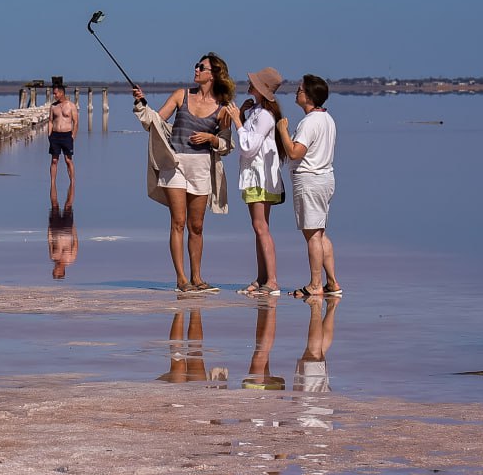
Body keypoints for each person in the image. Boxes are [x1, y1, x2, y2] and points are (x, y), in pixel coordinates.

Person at [132, 53, 235, 293]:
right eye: (196, 66)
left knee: (196, 226)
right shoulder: (181, 95)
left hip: (201, 167)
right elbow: (154, 122)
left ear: (214, 74)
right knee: (178, 222)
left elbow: (227, 145)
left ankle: (197, 278)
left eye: (202, 67)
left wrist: (211, 138)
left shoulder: (223, 109)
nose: (196, 70)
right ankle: (181, 279)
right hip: (175, 164)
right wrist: (141, 102)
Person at [277, 74, 341, 298]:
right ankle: (331, 282)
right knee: (320, 233)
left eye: (300, 89)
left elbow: (295, 151)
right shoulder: (327, 119)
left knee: (313, 235)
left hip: (310, 180)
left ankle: (316, 284)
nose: (297, 92)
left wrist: (283, 130)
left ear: (309, 96)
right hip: (324, 178)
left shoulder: (310, 121)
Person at [227, 67, 286, 296]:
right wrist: (241, 116)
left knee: (261, 227)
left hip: (259, 176)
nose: (249, 84)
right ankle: (263, 278)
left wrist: (237, 122)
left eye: (254, 83)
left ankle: (271, 281)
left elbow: (249, 147)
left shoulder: (264, 115)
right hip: (256, 175)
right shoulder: (257, 110)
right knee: (260, 227)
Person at [48, 82, 78, 201]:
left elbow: (75, 122)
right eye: (53, 94)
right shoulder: (53, 106)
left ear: (61, 93)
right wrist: (49, 135)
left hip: (67, 135)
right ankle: (52, 183)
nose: (54, 95)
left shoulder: (71, 106)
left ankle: (72, 182)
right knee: (54, 160)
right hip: (55, 135)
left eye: (55, 93)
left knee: (68, 160)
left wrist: (72, 136)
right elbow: (50, 120)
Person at [47, 203, 78, 280]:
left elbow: (50, 242)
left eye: (54, 270)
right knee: (68, 205)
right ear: (61, 271)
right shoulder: (70, 259)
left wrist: (49, 229)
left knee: (55, 206)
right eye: (55, 271)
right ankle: (73, 190)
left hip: (56, 228)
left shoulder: (53, 257)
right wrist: (73, 229)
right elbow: (75, 244)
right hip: (67, 229)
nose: (54, 268)